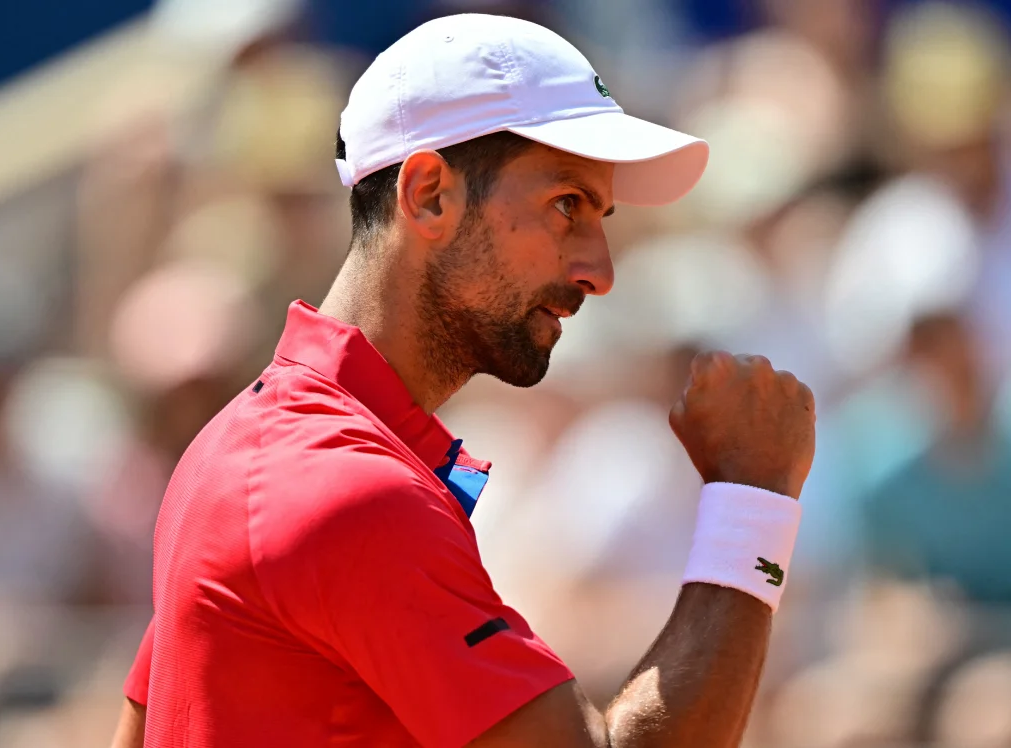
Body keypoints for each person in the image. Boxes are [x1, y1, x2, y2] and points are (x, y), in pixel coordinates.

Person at [110, 14, 816, 747]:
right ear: (428, 196)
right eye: (566, 205)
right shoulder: (341, 489)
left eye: (599, 215)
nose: (599, 271)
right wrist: (752, 497)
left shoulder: (246, 448)